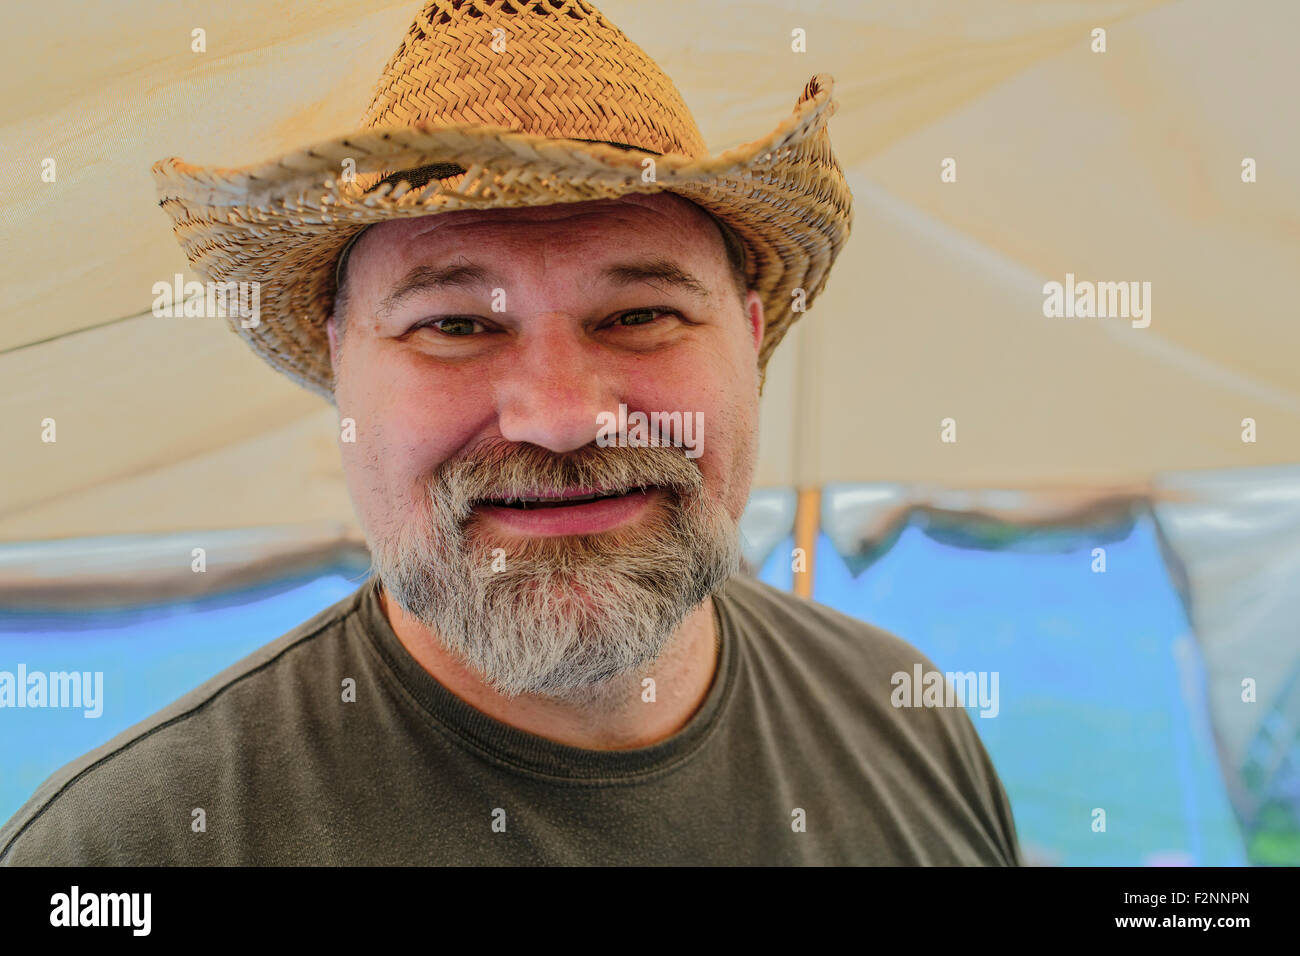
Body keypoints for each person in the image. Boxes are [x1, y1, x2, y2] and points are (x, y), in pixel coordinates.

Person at [0, 0, 1021, 865]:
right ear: (340, 360)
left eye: (638, 315)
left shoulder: (908, 716)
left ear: (748, 341)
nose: (564, 417)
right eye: (455, 325)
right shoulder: (131, 847)